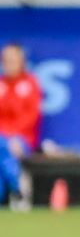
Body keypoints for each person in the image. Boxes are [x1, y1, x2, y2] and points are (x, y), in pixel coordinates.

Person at [0, 43, 41, 209]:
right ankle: (17, 189)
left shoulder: (30, 83)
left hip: (23, 139)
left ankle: (17, 190)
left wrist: (13, 137)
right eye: (6, 60)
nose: (9, 64)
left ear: (21, 61)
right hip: (2, 138)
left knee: (5, 148)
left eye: (13, 60)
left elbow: (31, 117)